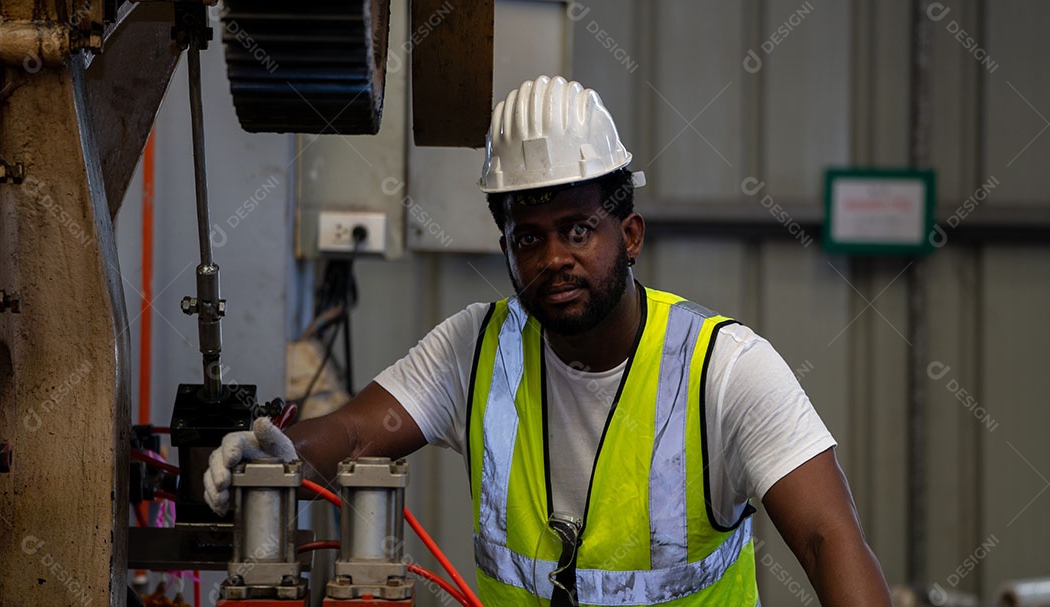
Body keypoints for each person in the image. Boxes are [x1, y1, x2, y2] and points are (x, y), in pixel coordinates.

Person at [205, 75, 891, 606]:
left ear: (629, 235)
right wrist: (275, 456)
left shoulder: (725, 371)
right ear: (505, 248)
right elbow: (353, 436)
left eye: (578, 229)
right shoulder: (475, 350)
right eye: (528, 237)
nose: (554, 257)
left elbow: (828, 537)